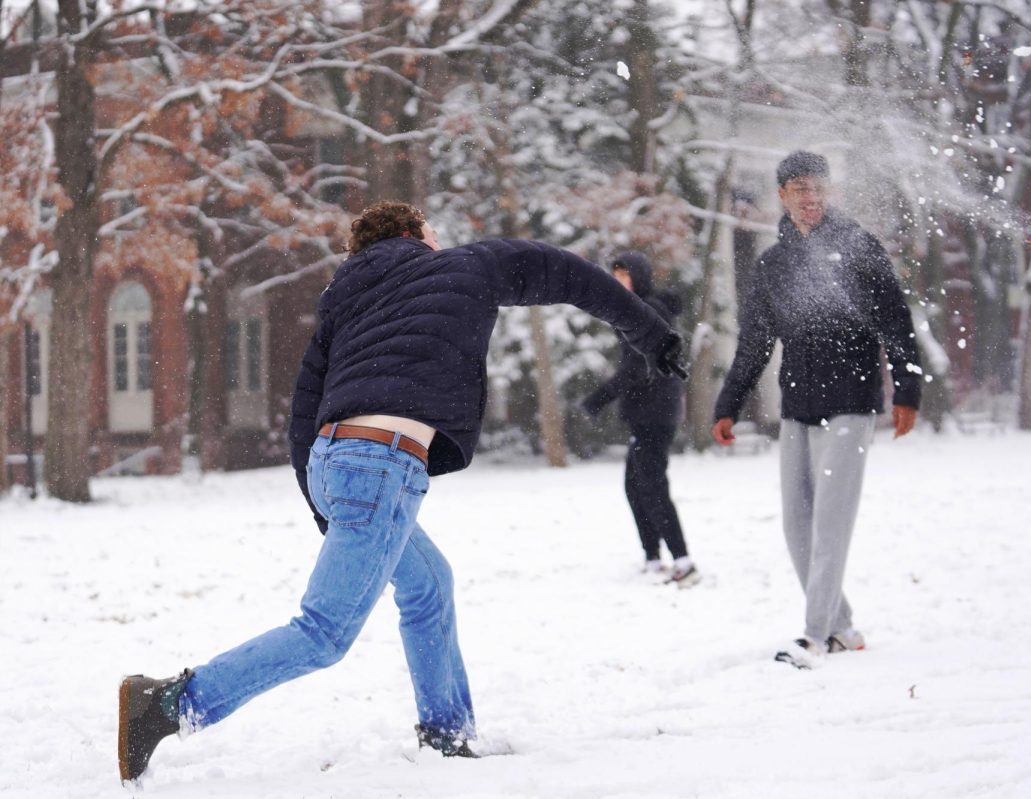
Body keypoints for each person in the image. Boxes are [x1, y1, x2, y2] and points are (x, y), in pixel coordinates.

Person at [117, 201, 688, 784]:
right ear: (416, 235)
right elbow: (567, 273)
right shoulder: (468, 265)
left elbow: (304, 406)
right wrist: (653, 333)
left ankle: (446, 733)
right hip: (379, 465)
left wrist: (321, 499)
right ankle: (170, 704)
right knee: (324, 633)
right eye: (432, 231)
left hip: (335, 462)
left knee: (429, 582)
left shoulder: (344, 298)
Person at [710, 150, 921, 669]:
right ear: (782, 195)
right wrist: (728, 402)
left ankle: (815, 635)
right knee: (796, 526)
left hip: (852, 401)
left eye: (818, 188)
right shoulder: (773, 265)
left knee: (831, 524)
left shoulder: (858, 247)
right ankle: (843, 626)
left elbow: (896, 322)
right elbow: (755, 341)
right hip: (798, 405)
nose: (810, 197)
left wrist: (909, 391)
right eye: (800, 188)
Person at [582, 251, 697, 586]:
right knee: (636, 486)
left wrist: (599, 398)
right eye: (615, 276)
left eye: (625, 276)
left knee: (652, 487)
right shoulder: (635, 309)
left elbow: (637, 367)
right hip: (646, 412)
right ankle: (653, 558)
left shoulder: (648, 311)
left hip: (655, 413)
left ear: (640, 277)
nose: (619, 282)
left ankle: (683, 560)